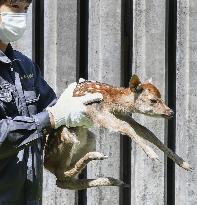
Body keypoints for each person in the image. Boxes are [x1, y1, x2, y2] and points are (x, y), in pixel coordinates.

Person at [0, 0, 103, 204]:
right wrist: (50, 118)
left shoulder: (24, 66)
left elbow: (55, 109)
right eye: (14, 6)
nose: (21, 16)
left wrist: (80, 106)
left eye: (25, 9)